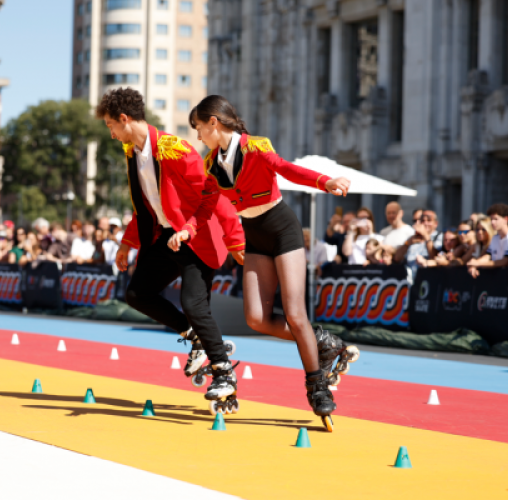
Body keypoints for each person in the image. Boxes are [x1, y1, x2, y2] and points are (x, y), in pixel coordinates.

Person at [189, 94, 356, 430]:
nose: (198, 136)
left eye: (199, 128)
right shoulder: (210, 164)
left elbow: (286, 169)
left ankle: (318, 386)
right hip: (254, 236)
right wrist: (186, 229)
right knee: (256, 318)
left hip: (282, 229)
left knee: (295, 313)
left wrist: (325, 181)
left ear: (213, 123)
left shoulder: (255, 146)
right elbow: (206, 204)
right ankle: (324, 343)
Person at [97, 87, 246, 412]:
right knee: (137, 294)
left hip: (197, 236)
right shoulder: (133, 153)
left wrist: (236, 240)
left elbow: (213, 193)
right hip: (165, 237)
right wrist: (127, 242)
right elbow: (144, 206)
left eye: (111, 125)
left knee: (193, 303)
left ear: (124, 119)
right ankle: (197, 340)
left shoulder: (174, 150)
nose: (111, 134)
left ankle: (224, 373)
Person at [467, 203, 508, 286]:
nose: (492, 222)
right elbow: (487, 256)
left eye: (496, 219)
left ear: (506, 219)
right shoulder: (495, 238)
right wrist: (474, 264)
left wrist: (477, 263)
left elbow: (505, 261)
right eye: (491, 219)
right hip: (497, 282)